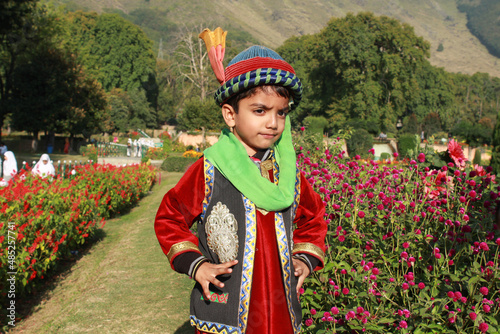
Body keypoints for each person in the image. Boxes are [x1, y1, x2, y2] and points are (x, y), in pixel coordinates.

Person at [154, 27, 327, 334]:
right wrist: (196, 265)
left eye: (281, 113)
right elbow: (169, 218)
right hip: (225, 308)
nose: (272, 123)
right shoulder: (210, 168)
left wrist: (304, 258)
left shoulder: (289, 174)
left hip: (280, 307)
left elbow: (313, 218)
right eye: (259, 111)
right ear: (230, 115)